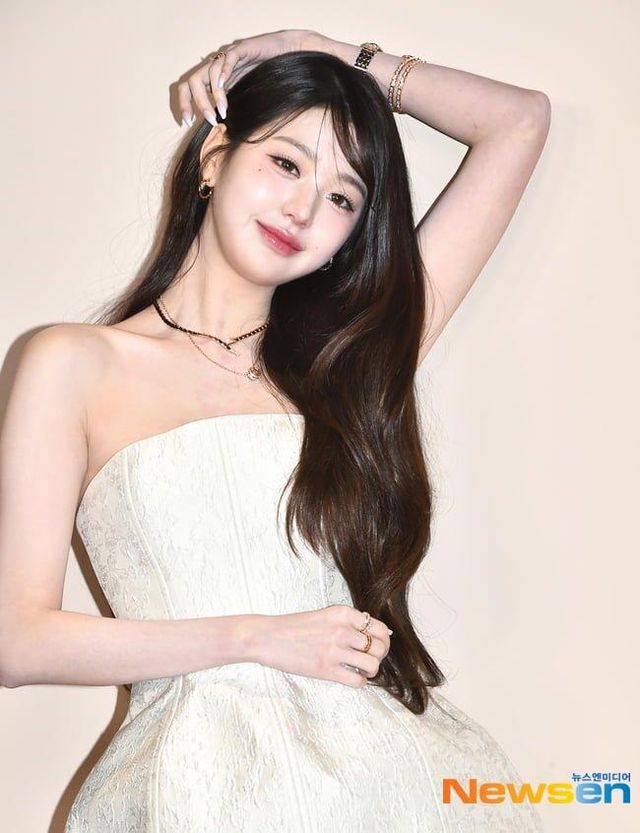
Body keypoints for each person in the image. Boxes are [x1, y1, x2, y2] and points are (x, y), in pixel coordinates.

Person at [0, 28, 551, 832]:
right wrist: (258, 637)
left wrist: (315, 47)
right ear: (213, 158)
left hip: (391, 785)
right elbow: (16, 641)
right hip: (191, 788)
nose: (304, 209)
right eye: (286, 163)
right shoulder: (72, 363)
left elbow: (520, 121)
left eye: (342, 198)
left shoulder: (350, 366)